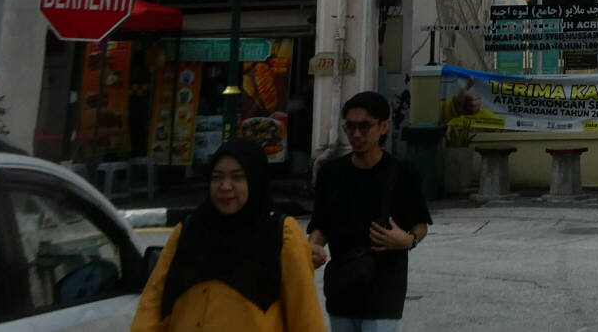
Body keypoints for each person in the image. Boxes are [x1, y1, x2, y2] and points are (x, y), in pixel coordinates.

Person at [131, 134, 325, 332]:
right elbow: (153, 304)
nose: (225, 186)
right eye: (217, 177)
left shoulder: (279, 234)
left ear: (254, 179)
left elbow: (306, 318)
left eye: (237, 177)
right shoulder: (189, 231)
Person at [307, 91, 432, 332]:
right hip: (342, 288)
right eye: (350, 127)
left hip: (384, 290)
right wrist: (313, 246)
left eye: (364, 126)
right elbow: (320, 224)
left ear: (383, 126)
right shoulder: (331, 174)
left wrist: (407, 240)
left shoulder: (403, 174)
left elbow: (421, 224)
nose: (356, 134)